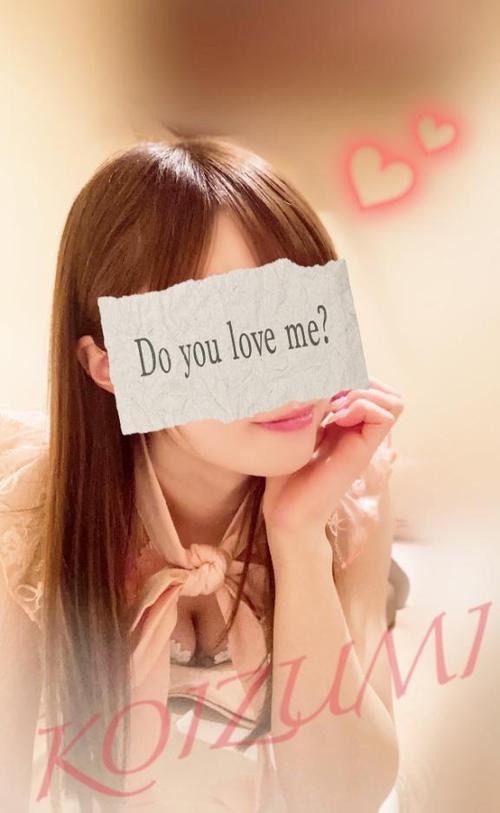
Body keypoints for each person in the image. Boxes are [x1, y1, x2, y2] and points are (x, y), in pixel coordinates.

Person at [0, 137, 407, 813]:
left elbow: (346, 796)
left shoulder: (353, 490)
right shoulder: (29, 509)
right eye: (224, 330)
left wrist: (298, 537)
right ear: (111, 366)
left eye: (301, 311)